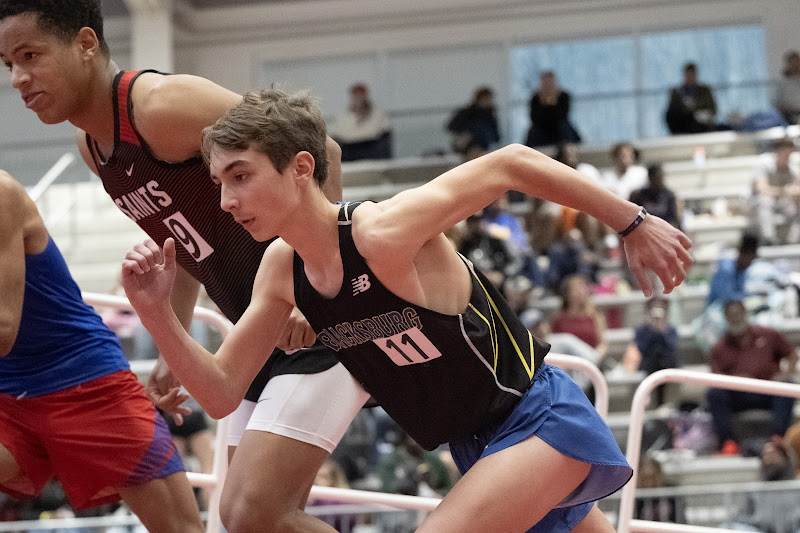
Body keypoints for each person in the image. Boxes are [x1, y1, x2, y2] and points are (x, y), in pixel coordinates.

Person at [121, 88, 693, 532]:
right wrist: (157, 315)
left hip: (539, 420)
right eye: (219, 182)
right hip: (478, 447)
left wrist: (632, 222)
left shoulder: (380, 231)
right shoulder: (281, 270)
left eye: (241, 176)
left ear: (300, 167)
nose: (226, 201)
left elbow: (510, 163)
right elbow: (221, 392)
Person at [0, 3, 371, 532]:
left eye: (30, 55)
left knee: (253, 515)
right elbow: (185, 245)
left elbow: (322, 150)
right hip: (254, 339)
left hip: (315, 322)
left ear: (85, 43)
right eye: (7, 63)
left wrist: (319, 283)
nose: (18, 78)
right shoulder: (91, 147)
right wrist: (175, 346)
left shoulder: (161, 106)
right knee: (244, 523)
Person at [0, 170, 204, 532]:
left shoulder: (1, 193)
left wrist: (172, 358)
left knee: (181, 529)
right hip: (8, 392)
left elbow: (3, 329)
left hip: (85, 380)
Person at [707, 300, 798, 455]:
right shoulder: (719, 347)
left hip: (767, 389)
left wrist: (784, 374)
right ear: (726, 318)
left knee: (787, 386)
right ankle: (729, 442)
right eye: (731, 316)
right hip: (738, 394)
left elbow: (792, 355)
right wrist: (734, 381)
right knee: (714, 393)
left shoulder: (768, 334)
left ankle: (778, 437)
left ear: (745, 313)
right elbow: (715, 378)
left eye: (738, 314)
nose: (736, 319)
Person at [749, 137, 800, 245]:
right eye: (786, 153)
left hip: (782, 201)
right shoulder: (764, 162)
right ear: (778, 152)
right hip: (758, 202)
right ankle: (769, 239)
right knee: (765, 201)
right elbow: (761, 189)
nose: (788, 156)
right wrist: (784, 190)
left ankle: (793, 241)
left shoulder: (791, 166)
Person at [328, 83, 392, 162]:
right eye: (356, 96)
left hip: (371, 150)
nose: (358, 99)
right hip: (349, 151)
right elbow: (337, 133)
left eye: (361, 95)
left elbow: (373, 132)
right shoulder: (344, 117)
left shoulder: (377, 114)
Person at [551, 275, 609, 362]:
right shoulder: (558, 319)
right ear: (567, 294)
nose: (581, 292)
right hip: (568, 364)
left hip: (590, 363)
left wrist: (595, 357)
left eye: (583, 288)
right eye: (576, 288)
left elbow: (603, 343)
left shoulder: (596, 316)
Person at [525, 71, 581, 148]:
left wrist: (549, 103)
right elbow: (535, 117)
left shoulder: (563, 96)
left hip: (558, 128)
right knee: (533, 132)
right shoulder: (536, 98)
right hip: (542, 129)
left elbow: (562, 115)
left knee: (564, 127)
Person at [446, 86, 500, 160]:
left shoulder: (489, 116)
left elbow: (496, 137)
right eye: (486, 99)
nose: (488, 101)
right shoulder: (466, 113)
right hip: (466, 147)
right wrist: (463, 135)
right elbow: (451, 127)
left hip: (481, 147)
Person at [706, 233, 759, 307]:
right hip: (717, 312)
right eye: (750, 259)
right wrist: (751, 297)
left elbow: (740, 294)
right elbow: (726, 298)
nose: (750, 263)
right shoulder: (726, 270)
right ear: (742, 254)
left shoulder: (741, 272)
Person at [665, 62, 717, 135]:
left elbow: (712, 109)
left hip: (700, 125)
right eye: (688, 74)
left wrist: (698, 113)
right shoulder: (676, 92)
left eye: (692, 74)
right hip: (682, 124)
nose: (690, 77)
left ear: (695, 75)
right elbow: (671, 112)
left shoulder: (705, 90)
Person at [629, 164, 682, 230]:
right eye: (655, 178)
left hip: (664, 230)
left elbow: (677, 219)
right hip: (645, 230)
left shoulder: (669, 195)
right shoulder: (639, 195)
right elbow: (630, 218)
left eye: (660, 178)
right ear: (650, 178)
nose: (658, 181)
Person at [774, 49, 800, 125]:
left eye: (796, 62)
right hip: (789, 114)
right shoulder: (783, 82)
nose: (794, 65)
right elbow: (777, 102)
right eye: (791, 63)